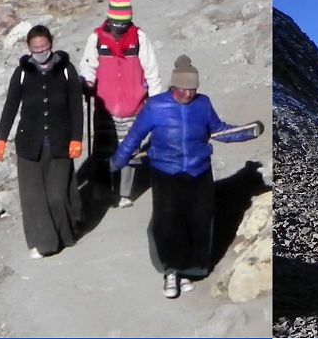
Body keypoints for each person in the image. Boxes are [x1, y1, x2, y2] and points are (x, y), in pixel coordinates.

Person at [110, 55, 262, 299]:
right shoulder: (155, 107)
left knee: (199, 221)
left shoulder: (203, 104)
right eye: (184, 90)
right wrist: (117, 161)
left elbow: (220, 130)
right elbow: (134, 138)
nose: (189, 94)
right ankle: (171, 271)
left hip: (199, 170)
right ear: (173, 86)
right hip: (165, 172)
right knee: (168, 221)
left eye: (193, 89)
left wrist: (246, 133)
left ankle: (190, 271)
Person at [0, 25, 84, 259]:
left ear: (51, 45)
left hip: (60, 142)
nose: (40, 52)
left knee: (56, 195)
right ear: (29, 48)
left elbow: (76, 106)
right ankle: (44, 243)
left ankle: (65, 234)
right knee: (33, 197)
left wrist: (77, 138)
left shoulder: (66, 70)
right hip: (28, 144)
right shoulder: (22, 73)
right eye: (36, 48)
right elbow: (10, 106)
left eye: (44, 47)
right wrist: (1, 138)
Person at [79, 0, 160, 208]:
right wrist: (86, 83)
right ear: (110, 19)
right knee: (103, 149)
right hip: (105, 106)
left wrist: (157, 101)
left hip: (134, 106)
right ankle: (104, 189)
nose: (119, 28)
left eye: (123, 24)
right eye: (116, 23)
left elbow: (151, 71)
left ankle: (124, 193)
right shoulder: (96, 38)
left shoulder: (139, 38)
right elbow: (88, 66)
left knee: (130, 150)